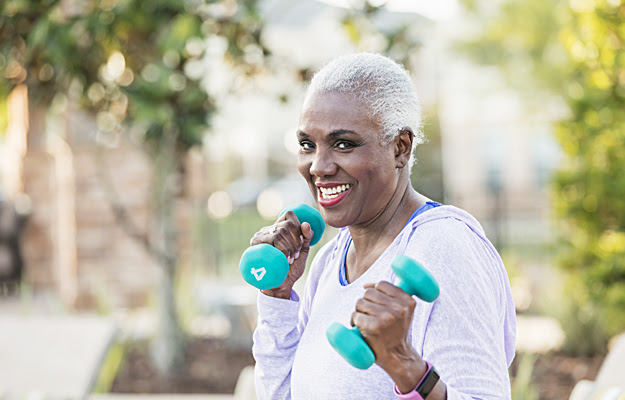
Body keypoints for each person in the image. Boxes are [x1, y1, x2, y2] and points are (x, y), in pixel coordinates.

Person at [249, 53, 516, 399]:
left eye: (343, 144)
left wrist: (407, 369)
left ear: (400, 148)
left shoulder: (443, 247)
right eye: (307, 145)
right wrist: (277, 297)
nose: (319, 166)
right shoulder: (330, 261)